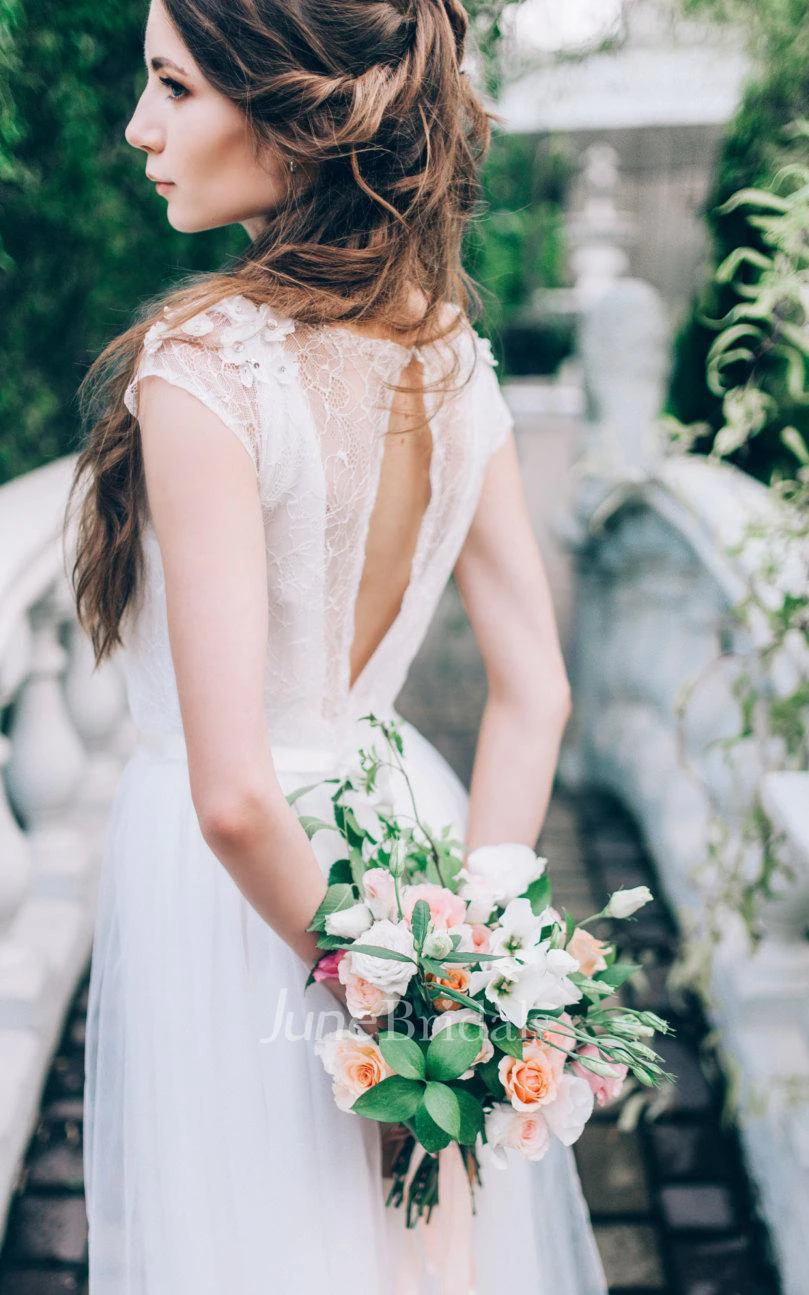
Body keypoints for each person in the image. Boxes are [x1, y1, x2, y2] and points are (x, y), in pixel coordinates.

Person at [66, 0, 609, 1290]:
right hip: (394, 837)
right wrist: (468, 949)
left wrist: (389, 999)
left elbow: (238, 794)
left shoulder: (202, 368)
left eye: (175, 89)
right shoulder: (451, 358)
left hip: (251, 906)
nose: (140, 129)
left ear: (298, 115)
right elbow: (534, 692)